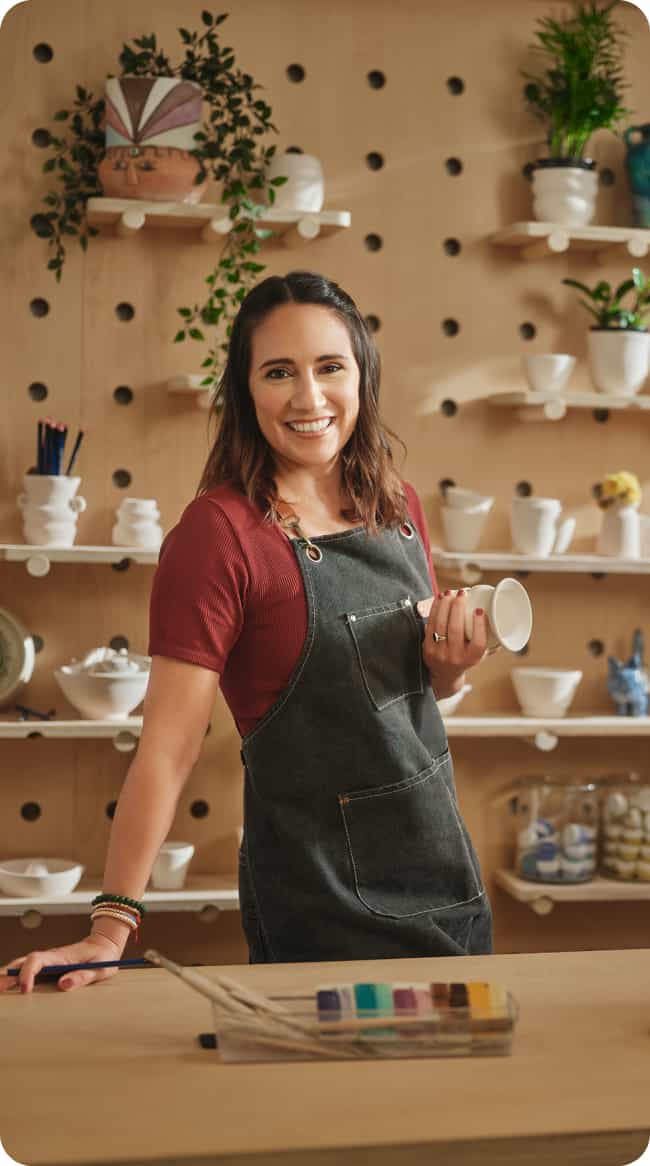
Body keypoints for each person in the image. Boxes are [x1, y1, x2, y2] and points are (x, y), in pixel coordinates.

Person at [1, 269, 493, 994]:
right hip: (321, 911)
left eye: (330, 367)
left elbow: (412, 695)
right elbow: (167, 751)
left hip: (446, 886)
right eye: (278, 373)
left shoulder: (398, 505)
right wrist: (111, 926)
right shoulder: (218, 535)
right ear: (245, 390)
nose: (309, 397)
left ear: (362, 376)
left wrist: (452, 666)